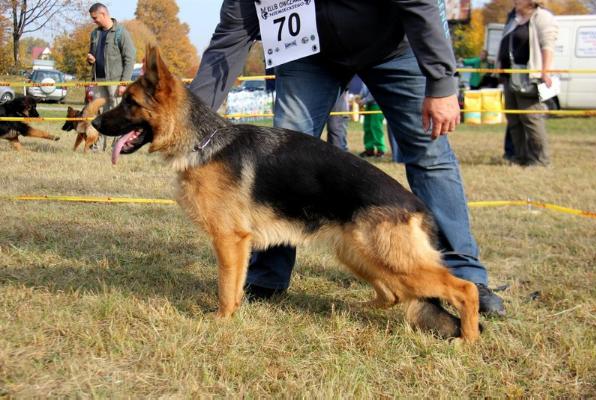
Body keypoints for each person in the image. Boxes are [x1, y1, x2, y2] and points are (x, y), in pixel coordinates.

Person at [189, 0, 505, 316]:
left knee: (429, 153)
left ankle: (466, 278)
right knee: (280, 156)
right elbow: (230, 39)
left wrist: (440, 81)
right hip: (307, 51)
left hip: (394, 46)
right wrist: (189, 118)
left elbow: (421, 4)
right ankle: (266, 278)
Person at [497, 0, 558, 166]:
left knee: (531, 118)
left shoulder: (542, 17)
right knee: (514, 119)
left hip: (530, 76)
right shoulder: (513, 18)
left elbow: (548, 45)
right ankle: (520, 157)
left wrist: (545, 72)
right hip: (510, 76)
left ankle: (539, 159)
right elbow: (504, 43)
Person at [87, 3, 136, 150]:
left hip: (115, 81)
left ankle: (118, 146)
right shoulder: (94, 34)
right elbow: (92, 54)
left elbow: (130, 58)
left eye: (95, 17)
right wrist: (90, 59)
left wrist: (124, 83)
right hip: (98, 81)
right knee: (98, 114)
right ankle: (97, 146)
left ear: (103, 14)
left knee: (116, 114)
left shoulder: (121, 32)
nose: (93, 21)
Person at [358, 83, 386, 158]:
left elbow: (376, 90)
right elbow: (364, 88)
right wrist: (360, 96)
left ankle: (381, 150)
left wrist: (364, 100)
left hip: (377, 104)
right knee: (367, 127)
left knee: (376, 127)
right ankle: (369, 150)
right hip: (368, 104)